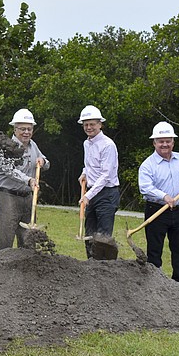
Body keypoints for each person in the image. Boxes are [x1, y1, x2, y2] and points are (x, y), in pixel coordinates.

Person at [138, 122, 179, 286]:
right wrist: (164, 196)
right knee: (155, 251)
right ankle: (155, 286)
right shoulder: (148, 165)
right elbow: (145, 188)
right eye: (160, 141)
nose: (165, 144)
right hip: (156, 210)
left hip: (178, 211)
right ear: (154, 143)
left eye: (168, 141)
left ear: (173, 142)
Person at [0, 108, 50, 249]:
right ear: (15, 129)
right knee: (5, 240)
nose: (26, 132)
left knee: (28, 241)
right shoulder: (6, 147)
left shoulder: (33, 145)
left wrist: (43, 161)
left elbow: (46, 163)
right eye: (22, 129)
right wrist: (29, 180)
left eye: (29, 129)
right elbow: (9, 171)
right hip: (7, 196)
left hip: (27, 197)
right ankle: (3, 269)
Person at [77, 105, 120, 258]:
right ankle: (91, 266)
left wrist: (88, 195)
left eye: (92, 124)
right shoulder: (86, 143)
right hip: (92, 192)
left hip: (107, 194)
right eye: (86, 124)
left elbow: (106, 175)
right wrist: (84, 173)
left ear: (100, 124)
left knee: (103, 237)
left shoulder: (108, 145)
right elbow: (89, 164)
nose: (89, 127)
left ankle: (104, 269)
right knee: (89, 233)